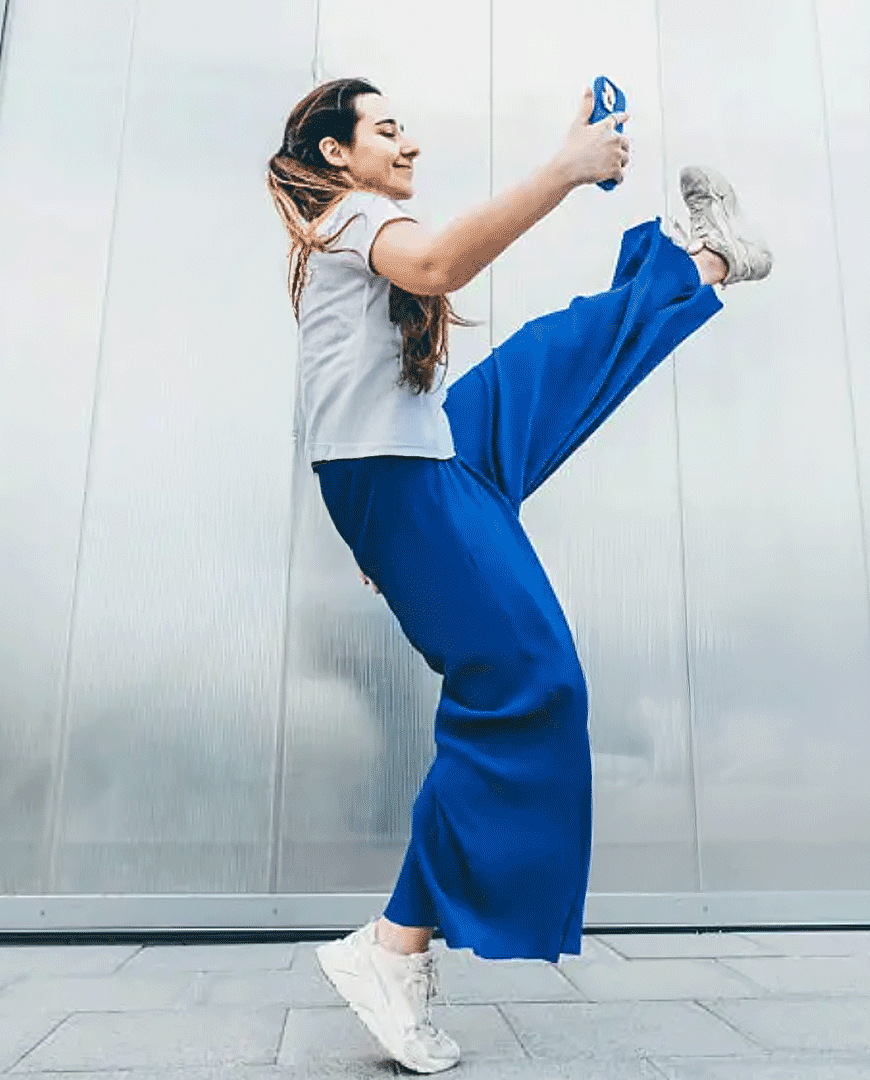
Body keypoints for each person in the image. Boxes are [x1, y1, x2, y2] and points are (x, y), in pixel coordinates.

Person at [265, 76, 770, 1074]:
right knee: (529, 683)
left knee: (550, 359)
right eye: (384, 130)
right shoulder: (350, 218)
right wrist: (567, 168)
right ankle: (392, 949)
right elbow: (439, 262)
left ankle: (698, 258)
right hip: (400, 480)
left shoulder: (357, 228)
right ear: (335, 154)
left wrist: (395, 536)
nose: (407, 143)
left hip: (424, 459)